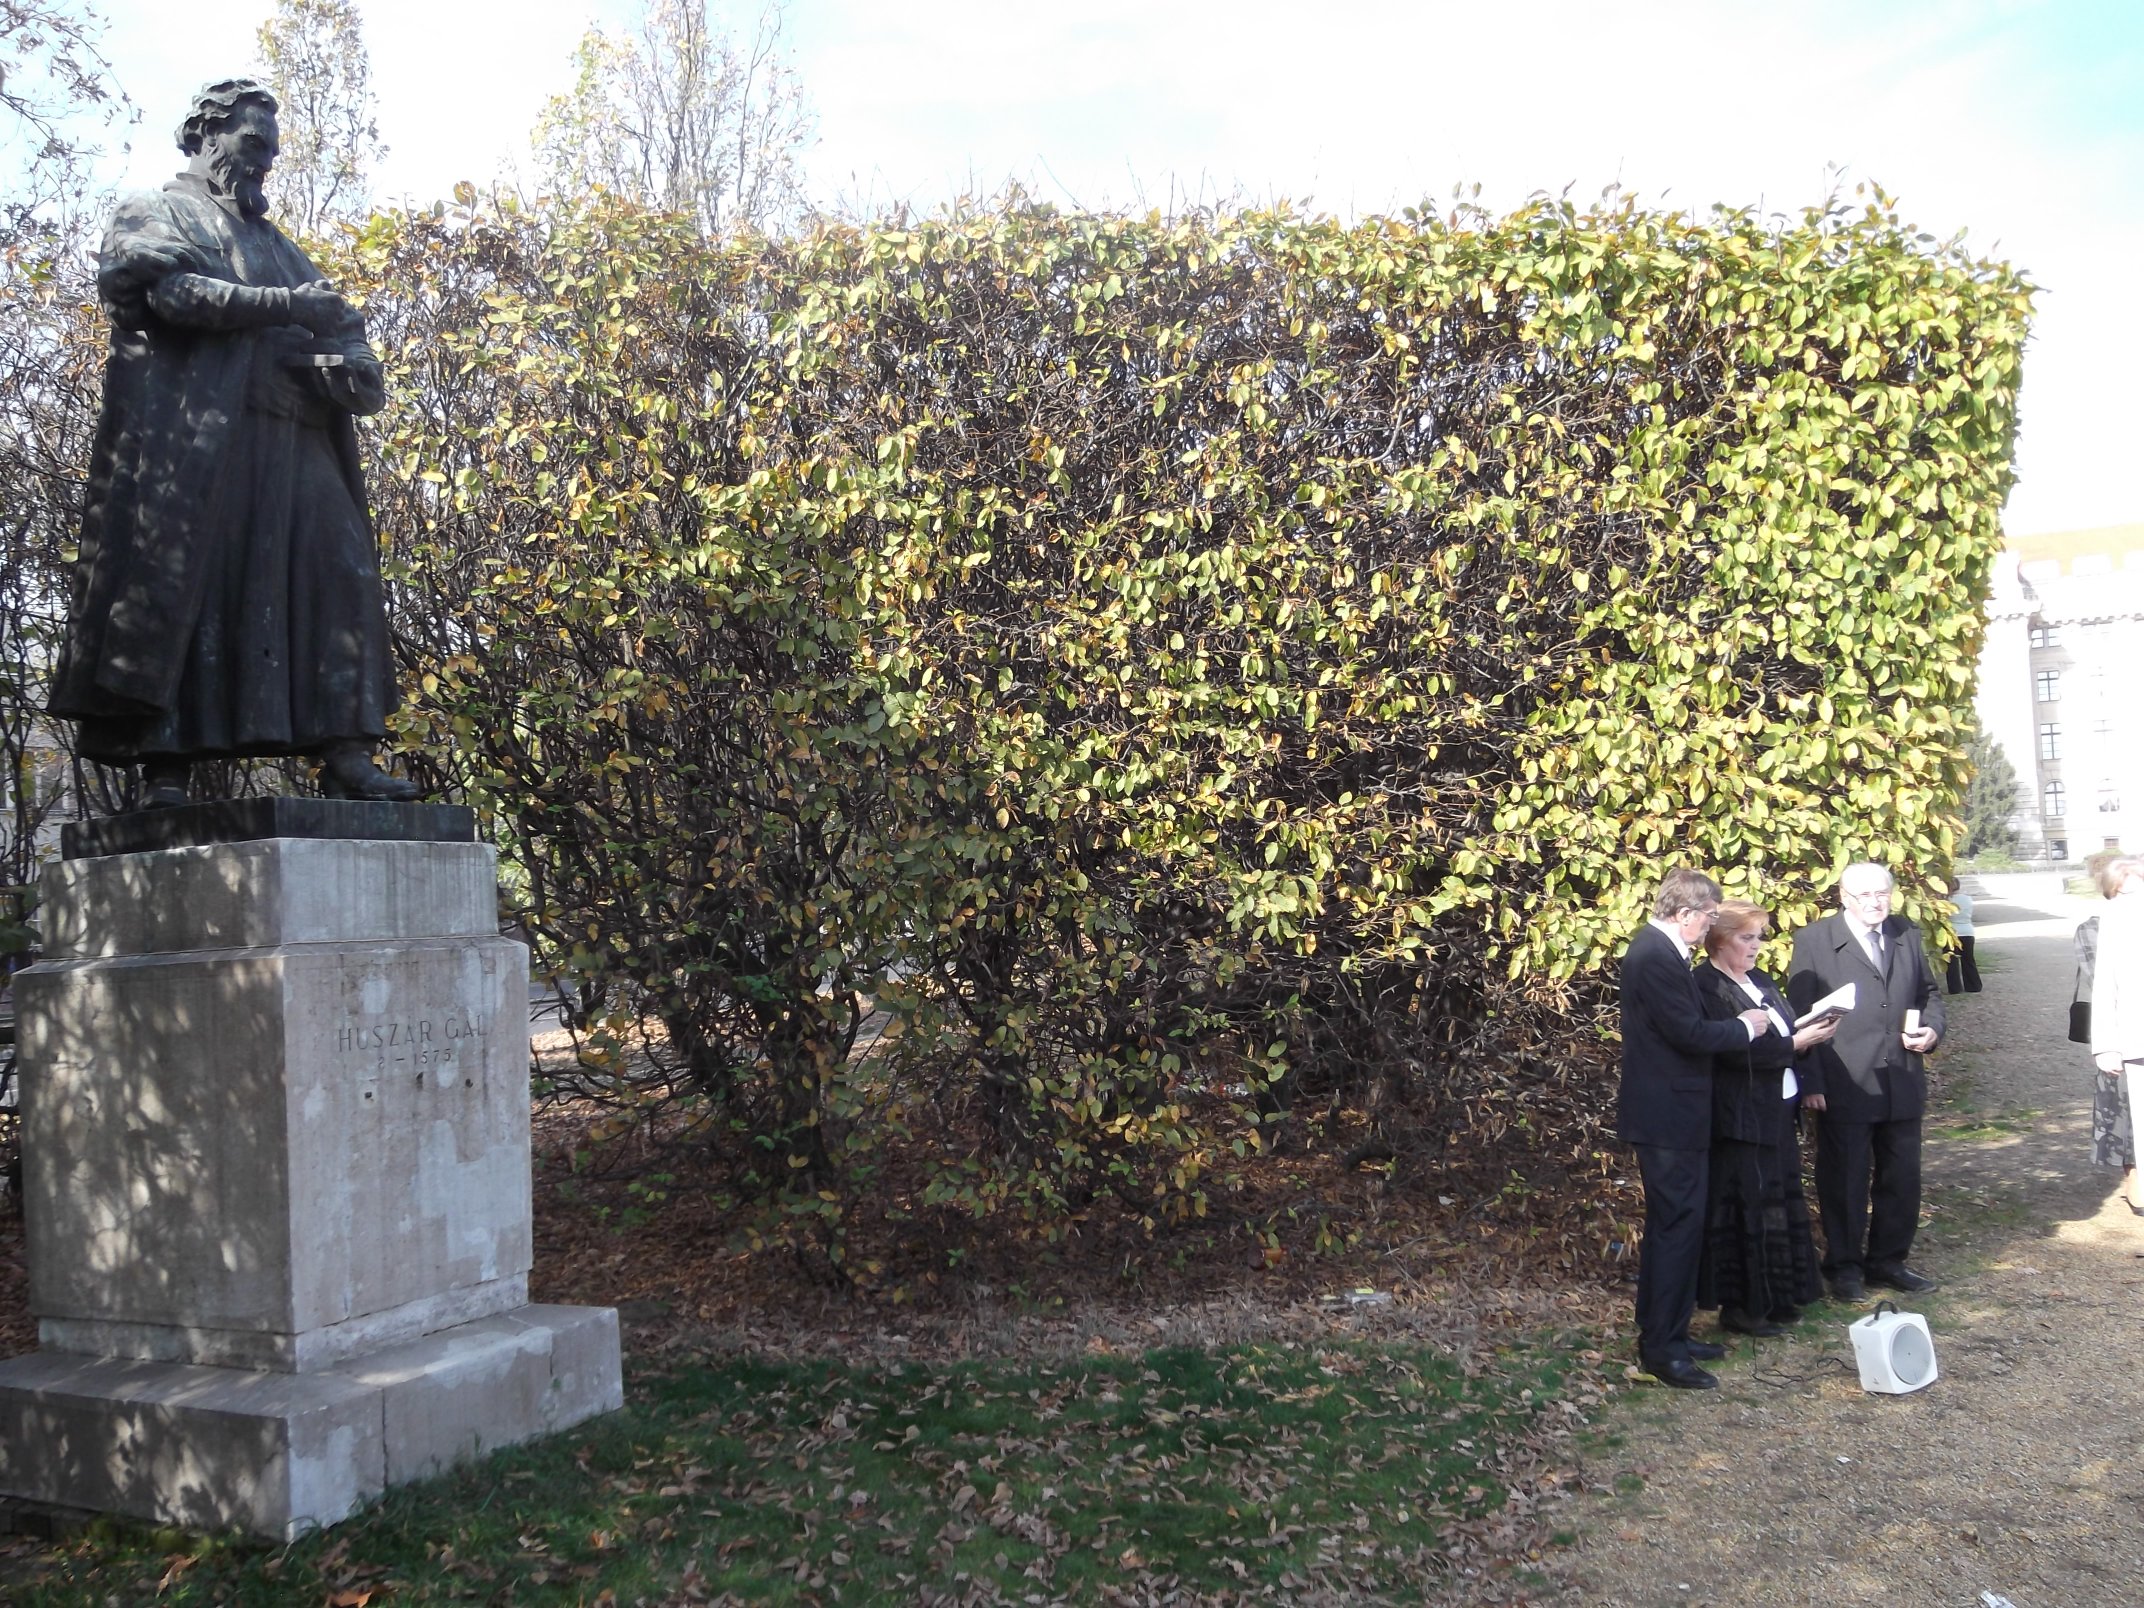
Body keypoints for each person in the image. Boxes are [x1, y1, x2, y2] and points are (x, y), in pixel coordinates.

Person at [47, 79, 419, 806]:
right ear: (205, 135)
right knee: (189, 589)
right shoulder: (156, 211)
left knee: (343, 572)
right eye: (253, 143)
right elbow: (172, 295)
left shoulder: (280, 247)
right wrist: (284, 308)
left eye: (271, 151)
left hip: (295, 439)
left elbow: (341, 323)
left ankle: (346, 750)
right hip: (199, 446)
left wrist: (355, 367)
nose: (264, 161)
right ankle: (165, 767)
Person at [1616, 868, 1774, 1390]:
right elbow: (1685, 1032)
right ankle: (1661, 1350)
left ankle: (1672, 1333)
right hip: (1666, 1118)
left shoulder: (1664, 952)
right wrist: (1742, 1027)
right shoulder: (1653, 956)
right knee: (1675, 1228)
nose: (1711, 925)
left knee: (1682, 1227)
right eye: (1708, 916)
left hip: (1676, 1113)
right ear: (1684, 914)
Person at [1786, 862, 1945, 1302]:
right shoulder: (1814, 940)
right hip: (1845, 1081)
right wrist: (1811, 1081)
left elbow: (1928, 994)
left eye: (1883, 894)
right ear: (1844, 897)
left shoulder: (1906, 933)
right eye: (1865, 896)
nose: (1876, 903)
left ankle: (1888, 1261)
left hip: (1901, 1077)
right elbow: (1801, 1016)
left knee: (1901, 1177)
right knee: (1844, 1179)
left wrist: (1932, 1030)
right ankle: (1844, 1267)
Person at [1693, 900, 1837, 1335]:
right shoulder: (1707, 985)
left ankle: (1779, 1298)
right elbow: (1732, 1052)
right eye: (1746, 938)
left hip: (1778, 1109)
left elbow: (1784, 1029)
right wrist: (1795, 1044)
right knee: (1749, 1210)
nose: (1756, 946)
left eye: (1759, 937)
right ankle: (1744, 1307)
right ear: (1720, 940)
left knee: (1780, 1204)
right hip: (1741, 1115)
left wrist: (1809, 1034)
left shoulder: (1759, 980)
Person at [2089, 855, 2144, 1213]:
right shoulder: (2113, 919)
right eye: (2124, 889)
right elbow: (2104, 985)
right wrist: (2106, 1044)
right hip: (2136, 1037)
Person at [1944, 879, 1981, 994]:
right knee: (1968, 960)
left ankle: (1955, 988)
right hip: (1967, 931)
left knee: (1952, 961)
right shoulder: (1968, 899)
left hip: (1952, 932)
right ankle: (1973, 986)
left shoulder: (1946, 901)